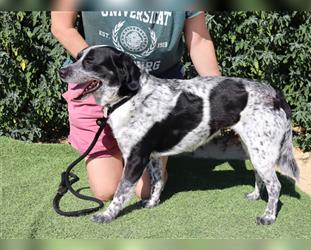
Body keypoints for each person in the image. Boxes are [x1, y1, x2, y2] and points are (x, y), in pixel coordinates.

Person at [51, 10, 221, 202]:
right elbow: (61, 26)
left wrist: (219, 93)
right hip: (96, 87)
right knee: (105, 191)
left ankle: (151, 150)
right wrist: (102, 70)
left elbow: (199, 42)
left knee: (145, 191)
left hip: (155, 92)